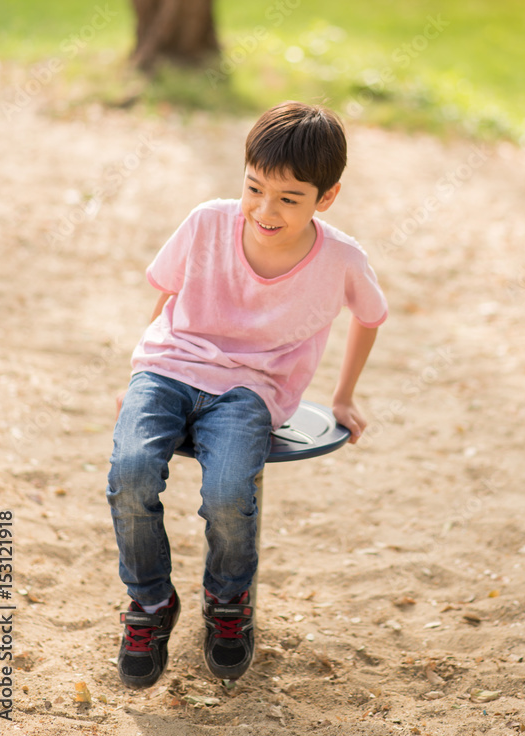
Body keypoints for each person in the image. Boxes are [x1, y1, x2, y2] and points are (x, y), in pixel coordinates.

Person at [106, 101, 387, 689]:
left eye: (289, 198)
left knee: (230, 493)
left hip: (251, 391)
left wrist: (344, 397)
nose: (265, 209)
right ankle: (152, 603)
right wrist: (139, 379)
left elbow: (370, 316)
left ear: (325, 197)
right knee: (131, 474)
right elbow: (167, 297)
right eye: (254, 188)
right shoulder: (208, 222)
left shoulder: (341, 258)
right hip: (168, 369)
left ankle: (228, 605)